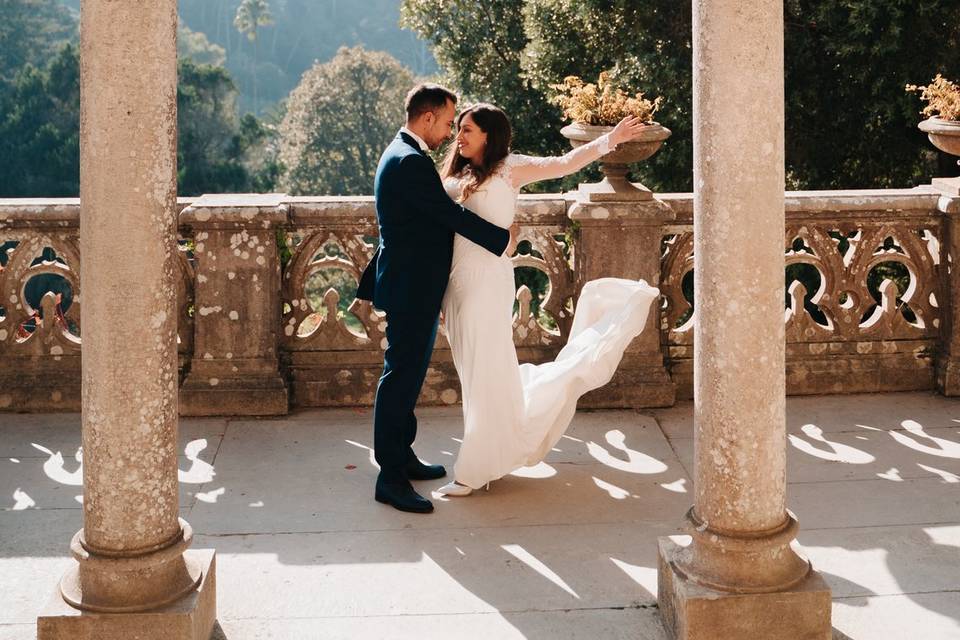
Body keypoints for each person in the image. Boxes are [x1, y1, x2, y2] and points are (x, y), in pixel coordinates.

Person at [435, 103, 660, 496]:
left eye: (468, 130)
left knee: (484, 367)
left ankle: (474, 468)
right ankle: (494, 449)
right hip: (457, 280)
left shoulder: (511, 167)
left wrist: (611, 139)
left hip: (487, 281)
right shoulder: (457, 170)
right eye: (459, 129)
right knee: (473, 371)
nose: (460, 136)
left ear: (489, 135)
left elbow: (566, 162)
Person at [356, 85, 519, 514]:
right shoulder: (409, 161)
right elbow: (448, 215)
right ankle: (390, 478)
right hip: (411, 287)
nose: (450, 133)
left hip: (416, 283)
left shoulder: (403, 152)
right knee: (400, 379)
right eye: (448, 122)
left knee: (406, 377)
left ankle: (402, 456)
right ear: (427, 117)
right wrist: (500, 239)